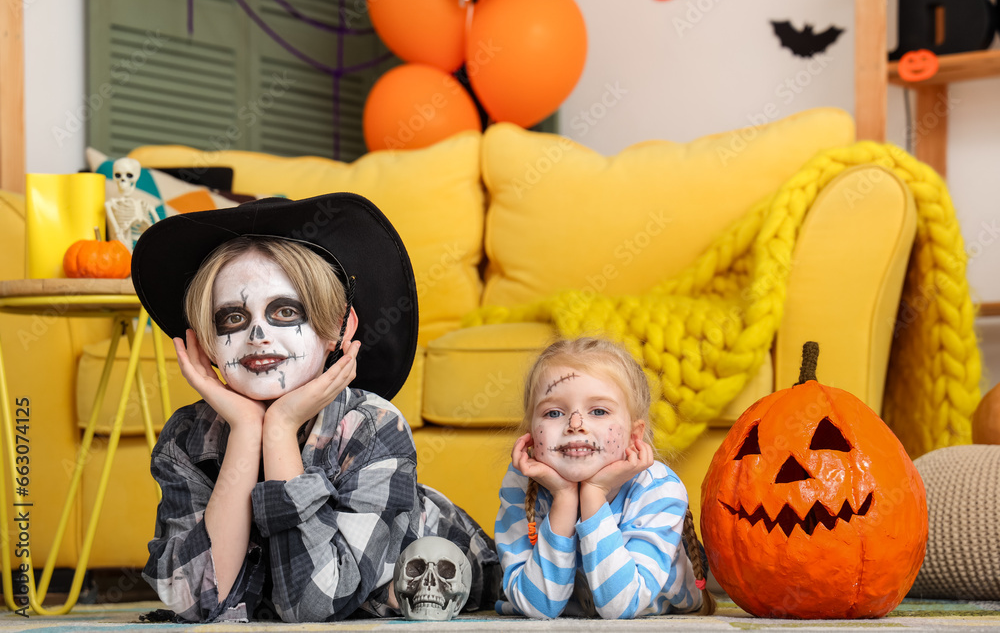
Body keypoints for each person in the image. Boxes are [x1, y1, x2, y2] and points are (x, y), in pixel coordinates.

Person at [131, 194, 497, 622]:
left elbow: (311, 607)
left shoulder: (373, 426)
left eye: (285, 310)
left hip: (452, 557)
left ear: (339, 329)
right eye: (231, 318)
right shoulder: (187, 437)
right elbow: (197, 602)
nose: (257, 335)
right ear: (204, 342)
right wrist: (249, 430)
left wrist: (281, 426)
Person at [494, 337, 716, 619]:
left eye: (598, 411)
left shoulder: (659, 488)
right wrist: (563, 497)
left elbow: (620, 606)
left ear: (634, 436)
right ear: (530, 434)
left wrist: (594, 492)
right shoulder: (521, 483)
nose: (575, 424)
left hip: (650, 588)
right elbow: (538, 607)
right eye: (553, 412)